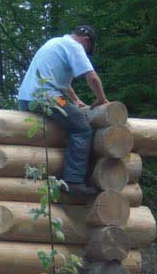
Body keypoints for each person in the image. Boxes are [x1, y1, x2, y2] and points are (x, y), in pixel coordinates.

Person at [17, 25, 108, 195]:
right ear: (86, 40)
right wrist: (102, 99)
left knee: (72, 114)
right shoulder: (75, 46)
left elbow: (62, 83)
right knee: (82, 128)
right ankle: (73, 181)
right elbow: (92, 77)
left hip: (27, 98)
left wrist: (75, 101)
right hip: (46, 96)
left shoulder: (56, 42)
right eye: (88, 49)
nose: (86, 53)